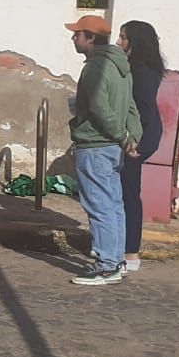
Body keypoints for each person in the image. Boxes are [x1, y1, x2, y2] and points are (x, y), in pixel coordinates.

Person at [65, 15, 143, 285]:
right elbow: (131, 107)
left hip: (96, 145)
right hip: (112, 147)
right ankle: (116, 259)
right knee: (114, 205)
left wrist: (123, 137)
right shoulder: (121, 66)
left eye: (78, 34)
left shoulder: (96, 67)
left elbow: (99, 107)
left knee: (99, 206)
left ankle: (107, 264)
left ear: (91, 37)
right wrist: (133, 138)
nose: (73, 38)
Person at [118, 20, 165, 274]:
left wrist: (137, 143)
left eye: (123, 38)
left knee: (129, 193)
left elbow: (144, 110)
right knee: (123, 191)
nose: (119, 42)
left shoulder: (143, 71)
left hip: (140, 139)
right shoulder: (136, 67)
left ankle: (130, 251)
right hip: (136, 137)